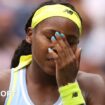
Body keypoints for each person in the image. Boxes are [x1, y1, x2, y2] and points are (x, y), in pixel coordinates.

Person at [0, 1, 105, 105]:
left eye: (70, 42)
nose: (58, 47)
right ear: (30, 35)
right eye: (50, 37)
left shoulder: (93, 86)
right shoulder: (3, 84)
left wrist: (69, 87)